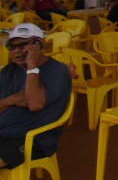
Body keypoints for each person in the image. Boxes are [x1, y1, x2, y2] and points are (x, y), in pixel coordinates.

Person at [0, 23, 72, 171]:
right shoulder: (9, 70)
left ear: (40, 44)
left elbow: (34, 103)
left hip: (31, 139)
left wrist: (32, 66)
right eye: (12, 47)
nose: (17, 51)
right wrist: (12, 99)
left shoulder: (58, 71)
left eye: (23, 45)